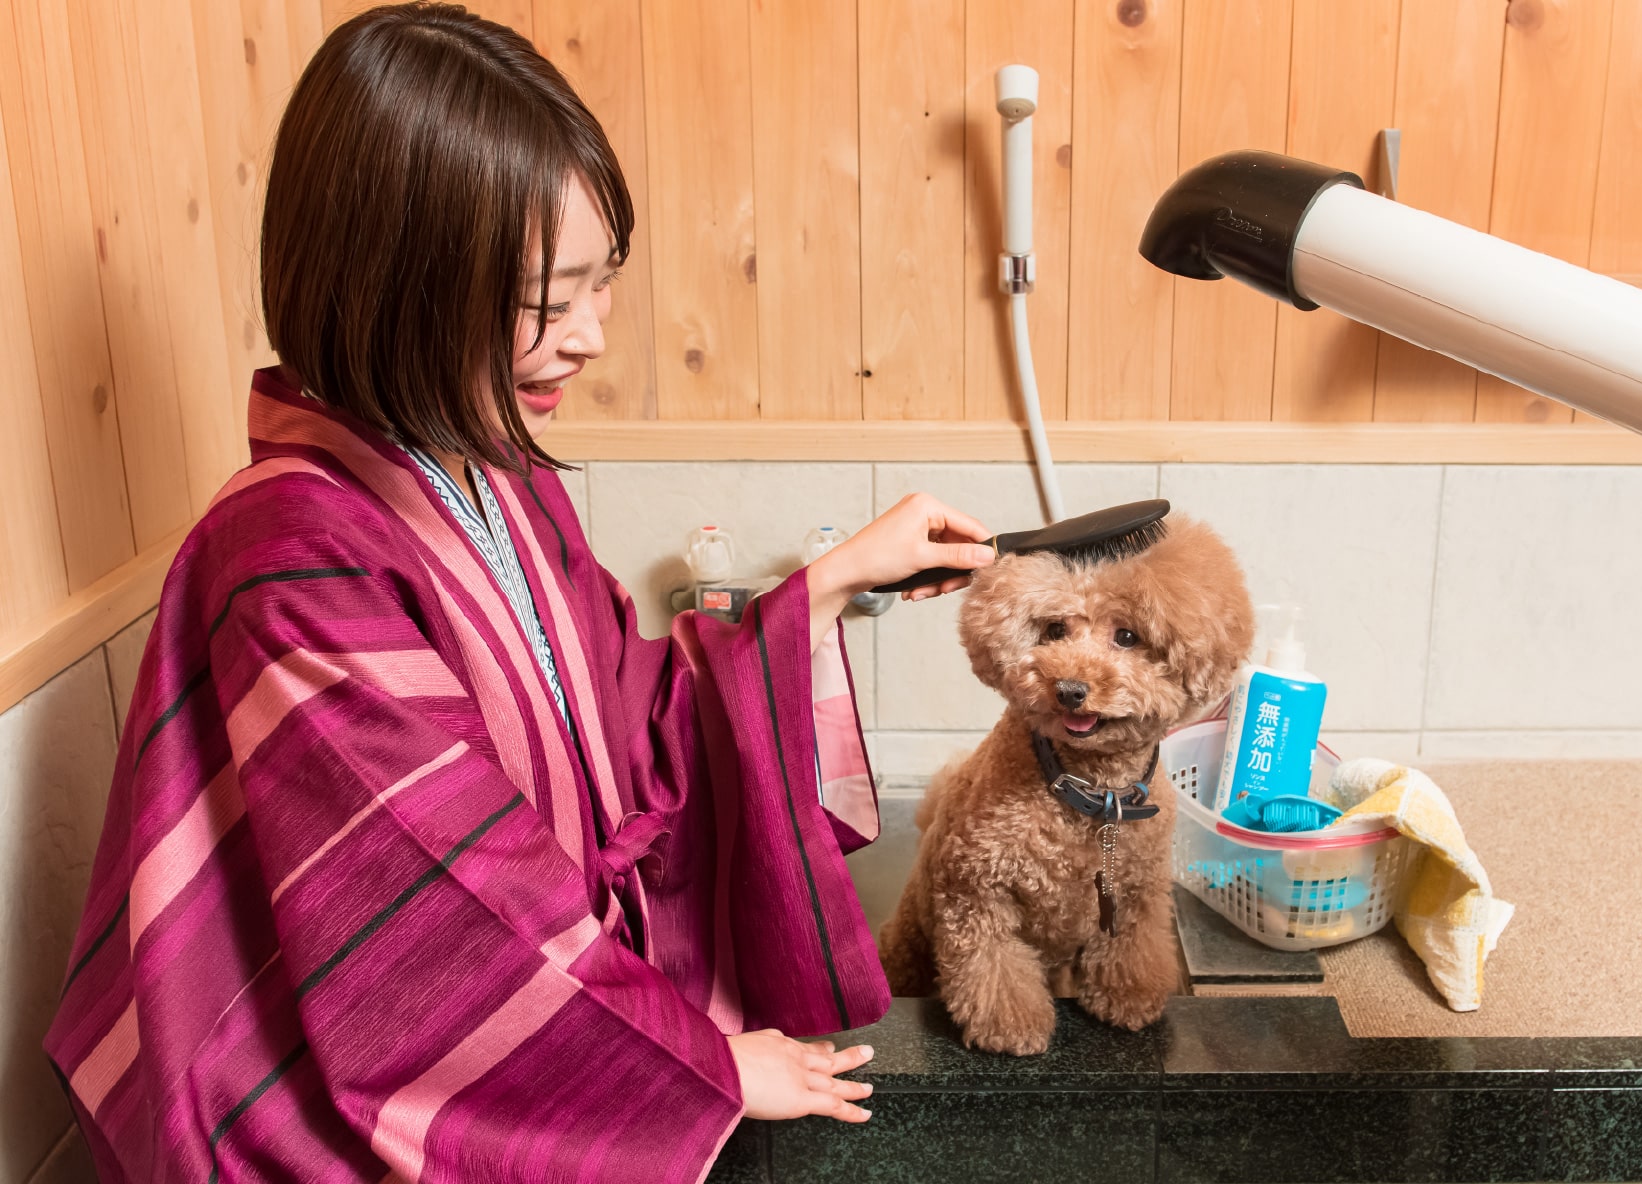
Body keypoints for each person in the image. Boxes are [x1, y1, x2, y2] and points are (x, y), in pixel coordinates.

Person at [44, 5, 995, 1180]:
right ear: (397, 282)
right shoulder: (291, 558)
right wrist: (691, 1062)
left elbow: (626, 721)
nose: (591, 335)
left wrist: (828, 584)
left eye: (606, 283)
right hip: (354, 1112)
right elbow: (445, 917)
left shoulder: (490, 475)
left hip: (547, 1024)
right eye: (550, 296)